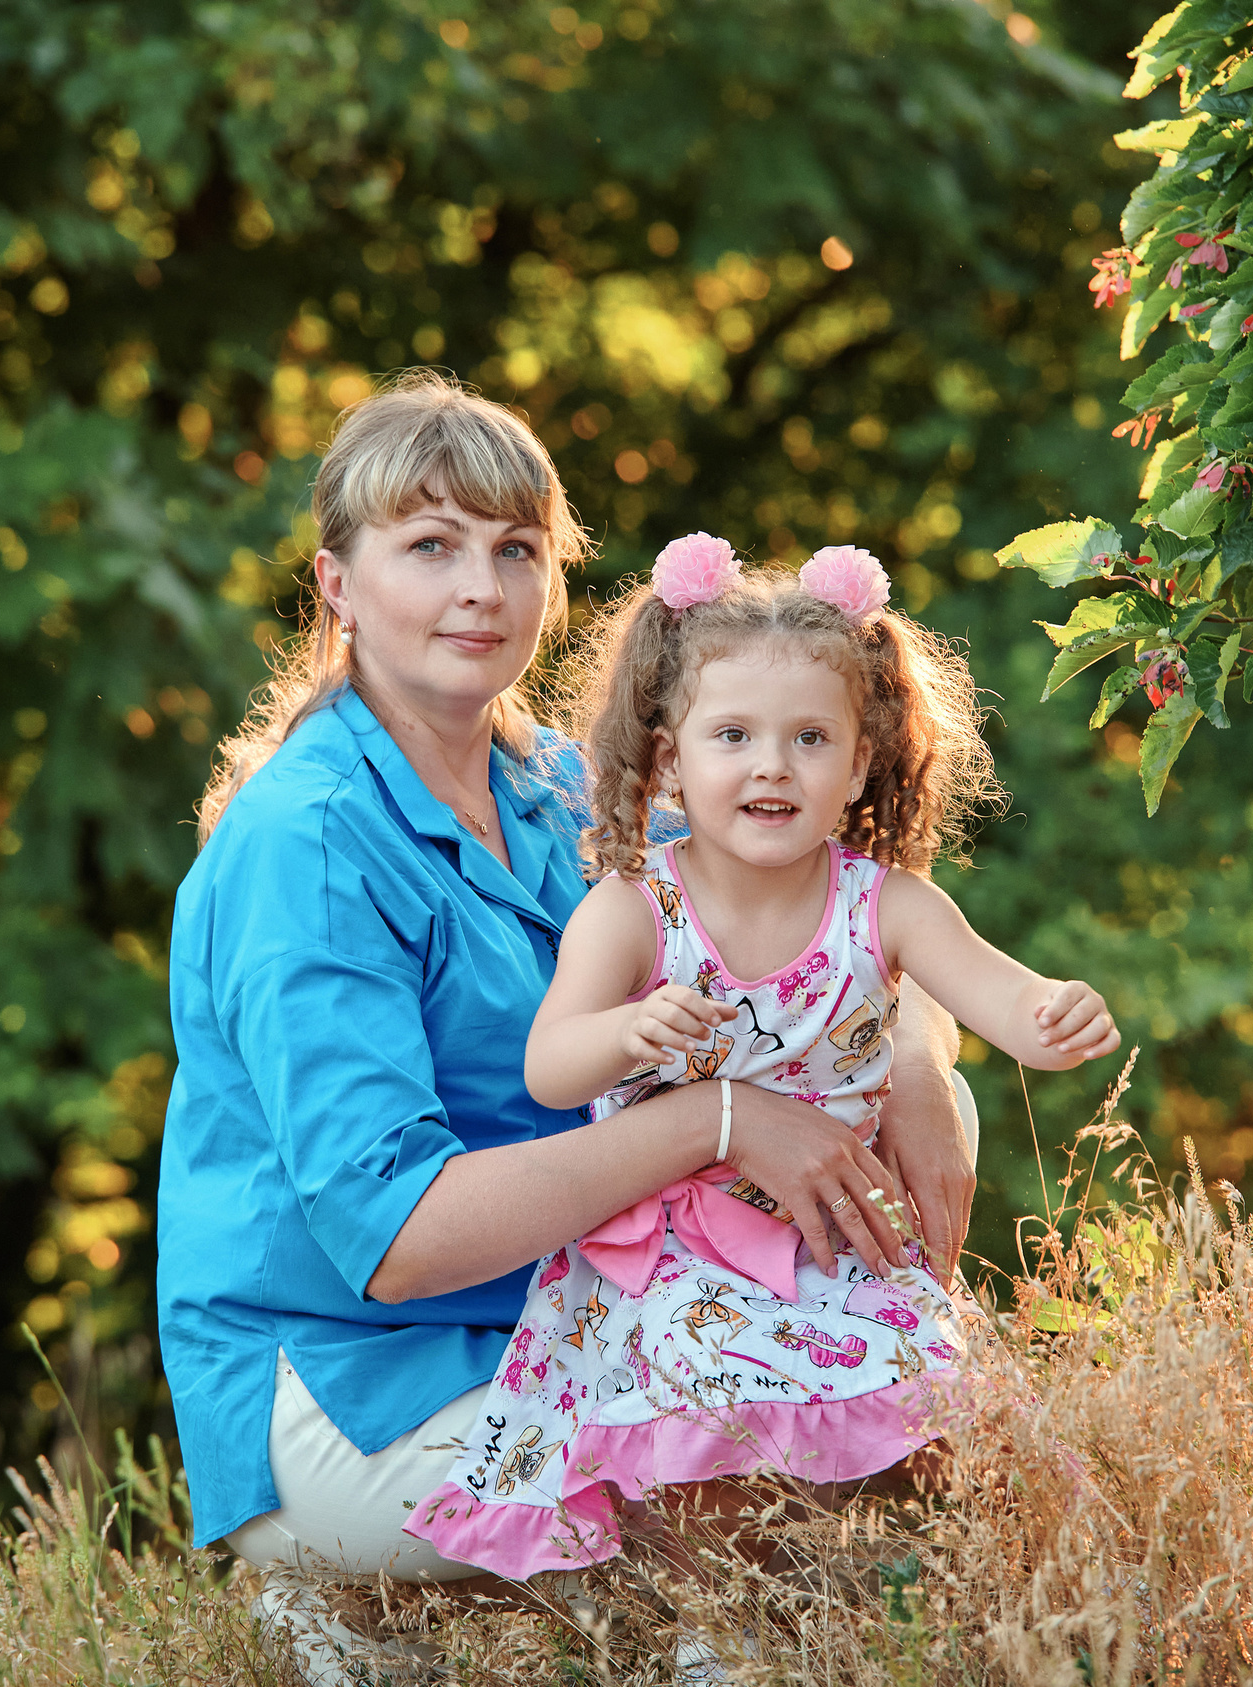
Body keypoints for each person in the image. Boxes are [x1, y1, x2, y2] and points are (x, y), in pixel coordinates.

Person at [156, 376, 980, 1685]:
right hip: (360, 1372)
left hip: (571, 1314)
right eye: (429, 547)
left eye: (517, 550)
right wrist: (715, 1122)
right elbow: (401, 1242)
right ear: (336, 583)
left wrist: (923, 1055)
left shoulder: (551, 789)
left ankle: (651, 1647)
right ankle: (349, 1611)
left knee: (877, 1419)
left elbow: (814, 910)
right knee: (758, 1466)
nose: (481, 587)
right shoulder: (306, 845)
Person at [399, 537, 1119, 1586]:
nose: (772, 765)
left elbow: (995, 994)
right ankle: (722, 1644)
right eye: (732, 734)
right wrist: (623, 1035)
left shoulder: (888, 904)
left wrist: (1052, 1016)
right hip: (674, 1256)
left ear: (861, 764)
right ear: (671, 759)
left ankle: (868, 1621)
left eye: (811, 739)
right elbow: (552, 1069)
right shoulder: (635, 908)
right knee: (711, 1447)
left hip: (834, 1238)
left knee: (936, 1427)